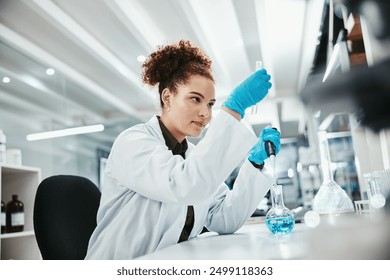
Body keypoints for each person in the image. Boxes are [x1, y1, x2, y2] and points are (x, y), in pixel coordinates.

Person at [85, 40, 280, 259]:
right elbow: (184, 185)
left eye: (210, 104)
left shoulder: (193, 156)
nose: (205, 114)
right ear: (167, 98)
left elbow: (224, 217)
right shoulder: (132, 143)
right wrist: (234, 109)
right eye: (195, 99)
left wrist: (255, 162)